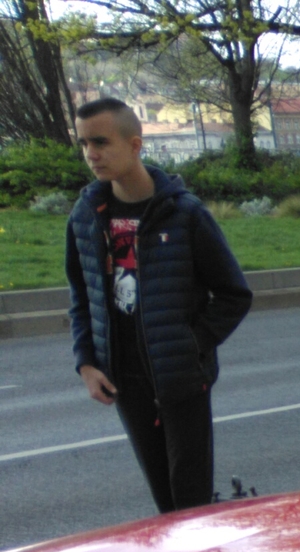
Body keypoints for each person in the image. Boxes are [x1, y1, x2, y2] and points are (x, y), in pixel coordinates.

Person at [63, 96, 252, 516]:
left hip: (181, 375)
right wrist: (87, 363)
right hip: (124, 377)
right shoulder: (86, 215)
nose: (91, 154)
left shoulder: (183, 214)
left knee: (190, 503)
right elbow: (82, 293)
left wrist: (191, 343)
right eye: (83, 144)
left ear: (134, 144)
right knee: (164, 502)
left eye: (100, 142)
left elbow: (234, 294)